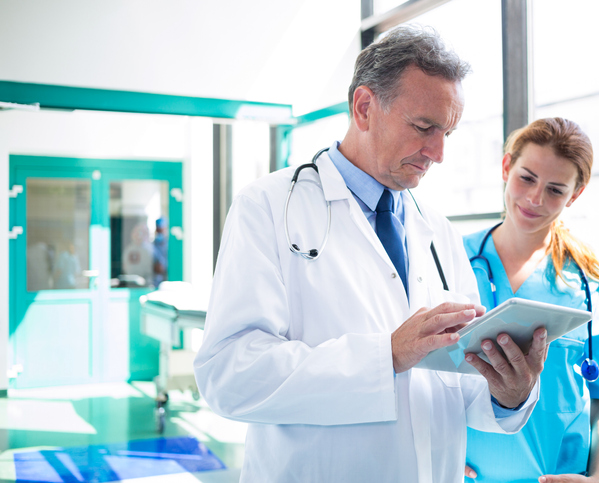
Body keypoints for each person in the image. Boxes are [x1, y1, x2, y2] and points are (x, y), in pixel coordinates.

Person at [194, 26, 548, 483]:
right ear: (364, 107)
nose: (438, 153)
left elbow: (460, 394)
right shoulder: (268, 206)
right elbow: (229, 375)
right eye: (424, 127)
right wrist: (386, 356)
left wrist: (508, 392)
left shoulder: (437, 231)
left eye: (447, 132)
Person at [462, 118, 599, 483]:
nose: (534, 199)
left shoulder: (593, 285)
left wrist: (598, 478)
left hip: (556, 476)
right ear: (506, 166)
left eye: (555, 189)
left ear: (574, 195)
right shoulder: (448, 261)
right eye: (527, 178)